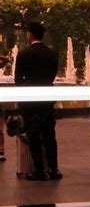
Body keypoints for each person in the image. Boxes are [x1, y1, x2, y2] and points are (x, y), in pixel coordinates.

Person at [15, 22, 62, 180]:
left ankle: (39, 170)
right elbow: (52, 76)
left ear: (30, 34)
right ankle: (54, 169)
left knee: (33, 135)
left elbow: (18, 79)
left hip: (30, 100)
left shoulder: (24, 54)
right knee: (49, 134)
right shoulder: (52, 53)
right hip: (47, 98)